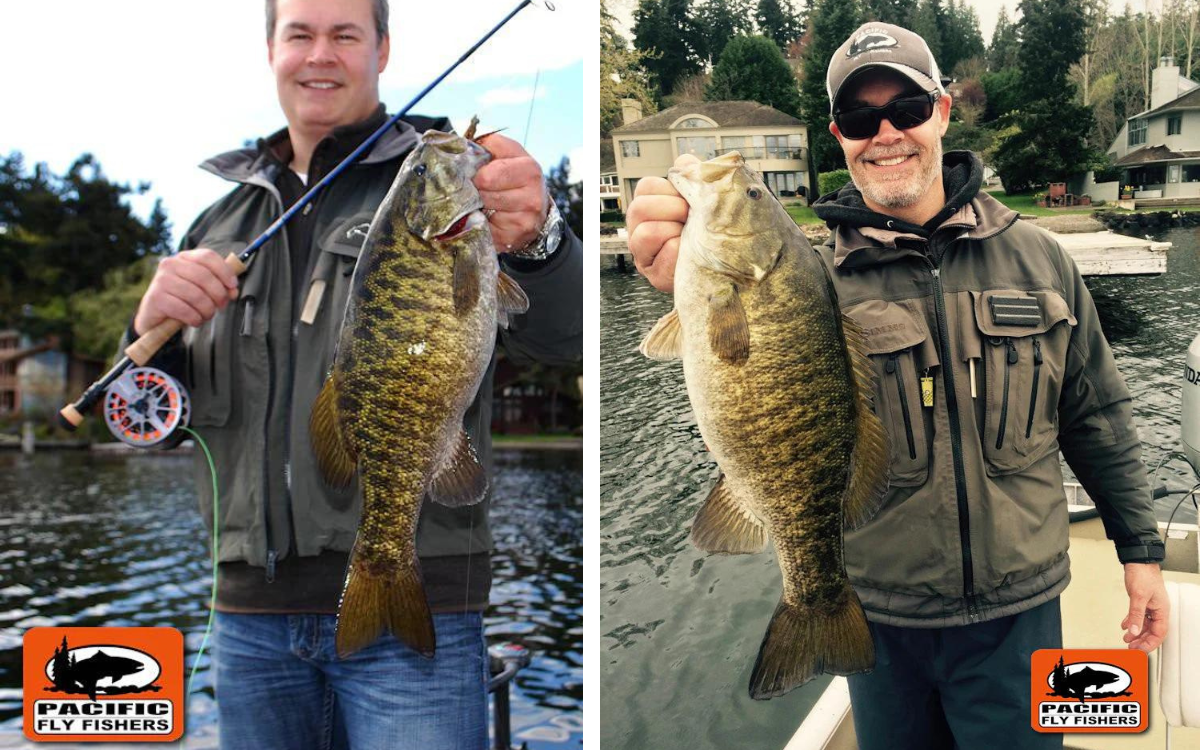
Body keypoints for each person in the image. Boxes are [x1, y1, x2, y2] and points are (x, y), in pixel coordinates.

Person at [626, 21, 1168, 750]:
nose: (885, 133)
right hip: (877, 622)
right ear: (837, 135)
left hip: (1024, 618)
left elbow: (1097, 415)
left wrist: (1140, 554)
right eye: (859, 117)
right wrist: (681, 282)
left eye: (906, 110)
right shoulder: (809, 280)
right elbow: (744, 381)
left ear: (942, 112)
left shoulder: (1042, 259)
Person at [123, 0, 581, 747]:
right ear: (271, 49)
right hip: (245, 617)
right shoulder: (214, 227)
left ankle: (384, 562)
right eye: (299, 33)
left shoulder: (463, 210)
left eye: (345, 34)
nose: (320, 54)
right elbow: (158, 424)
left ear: (384, 49)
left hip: (425, 601)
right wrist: (146, 331)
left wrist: (541, 241)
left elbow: (566, 341)